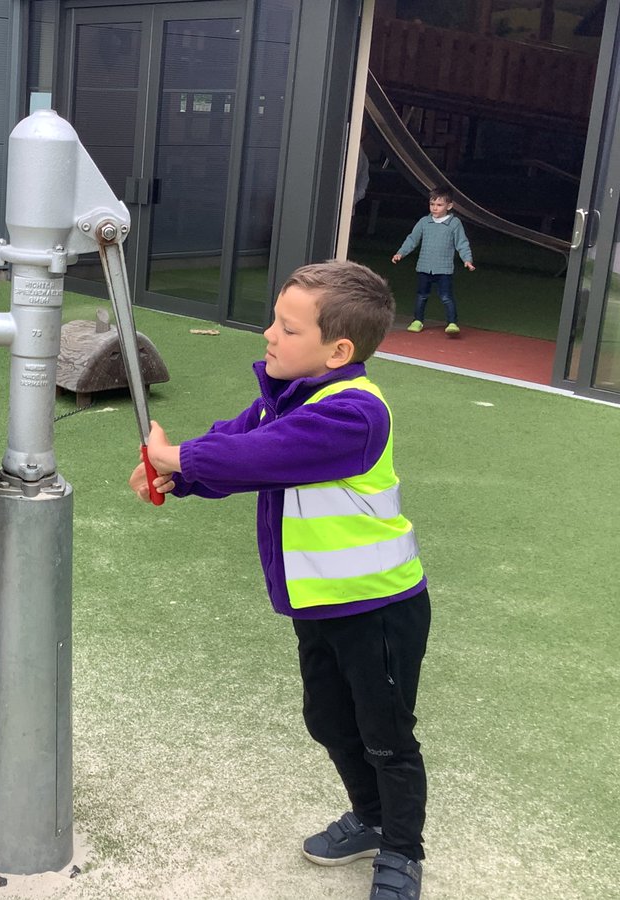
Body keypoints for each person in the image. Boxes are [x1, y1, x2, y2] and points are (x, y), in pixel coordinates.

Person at [130, 260, 429, 900]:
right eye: (274, 319)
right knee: (327, 718)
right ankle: (371, 818)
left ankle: (403, 851)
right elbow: (237, 445)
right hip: (320, 605)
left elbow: (265, 456)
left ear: (337, 350)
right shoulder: (289, 398)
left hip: (377, 609)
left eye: (287, 328)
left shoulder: (353, 415)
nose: (269, 334)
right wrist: (178, 477)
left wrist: (181, 457)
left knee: (386, 735)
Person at [392, 185, 474, 335]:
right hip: (424, 267)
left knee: (446, 297)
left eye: (439, 205)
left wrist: (467, 259)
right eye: (432, 204)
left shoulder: (454, 224)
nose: (435, 208)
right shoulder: (424, 222)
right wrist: (401, 253)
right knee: (422, 295)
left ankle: (452, 323)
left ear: (449, 206)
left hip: (444, 269)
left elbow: (462, 243)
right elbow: (412, 239)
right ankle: (418, 320)